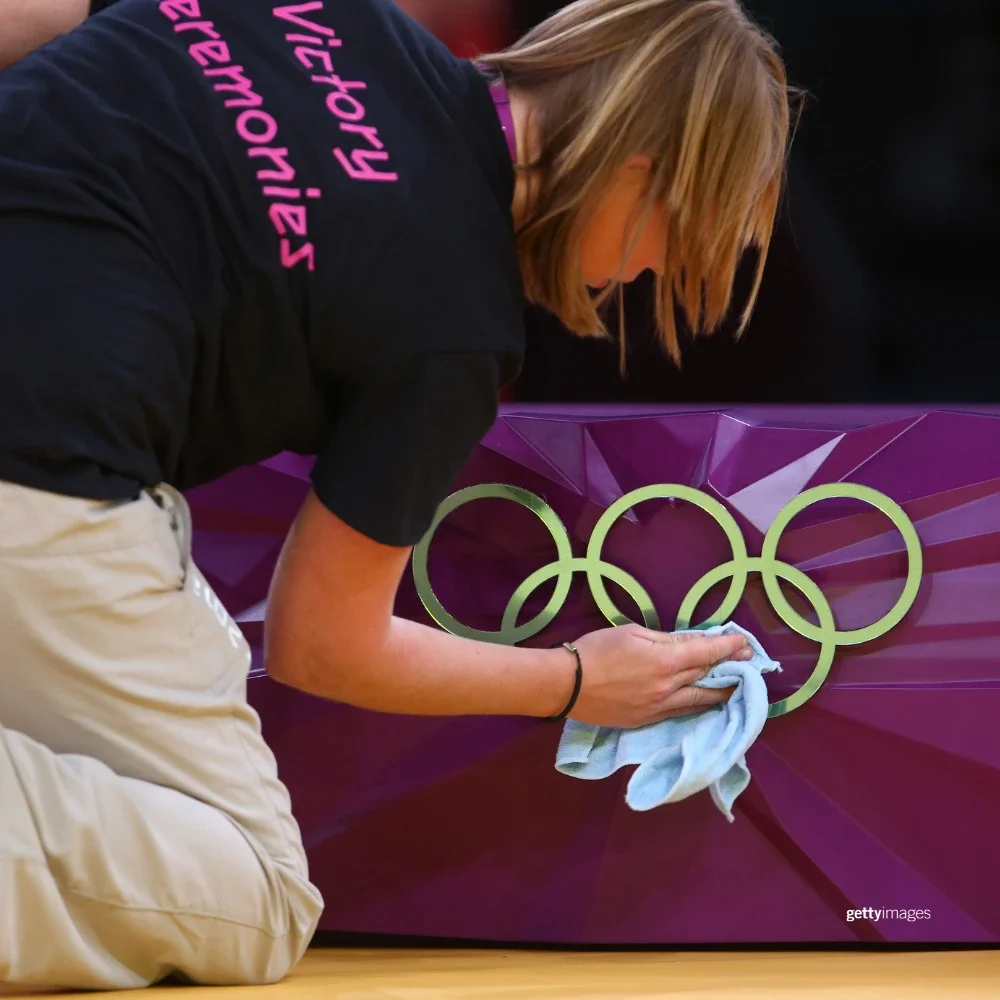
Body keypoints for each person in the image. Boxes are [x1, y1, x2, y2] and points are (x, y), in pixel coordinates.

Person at [0, 0, 792, 989]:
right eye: (676, 242)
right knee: (252, 891)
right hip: (40, 470)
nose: (640, 273)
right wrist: (578, 679)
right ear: (640, 171)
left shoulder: (322, 10)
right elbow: (322, 642)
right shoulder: (453, 323)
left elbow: (35, 16)